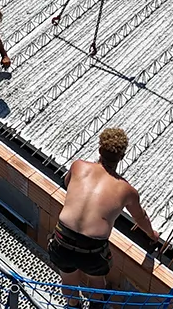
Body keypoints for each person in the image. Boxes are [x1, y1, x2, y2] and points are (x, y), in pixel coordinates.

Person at [49, 128, 160, 307]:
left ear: (99, 150)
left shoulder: (78, 166)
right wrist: (152, 235)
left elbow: (68, 184)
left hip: (63, 238)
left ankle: (73, 305)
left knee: (68, 280)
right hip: (92, 249)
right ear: (122, 157)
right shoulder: (127, 190)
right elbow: (141, 218)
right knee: (96, 284)